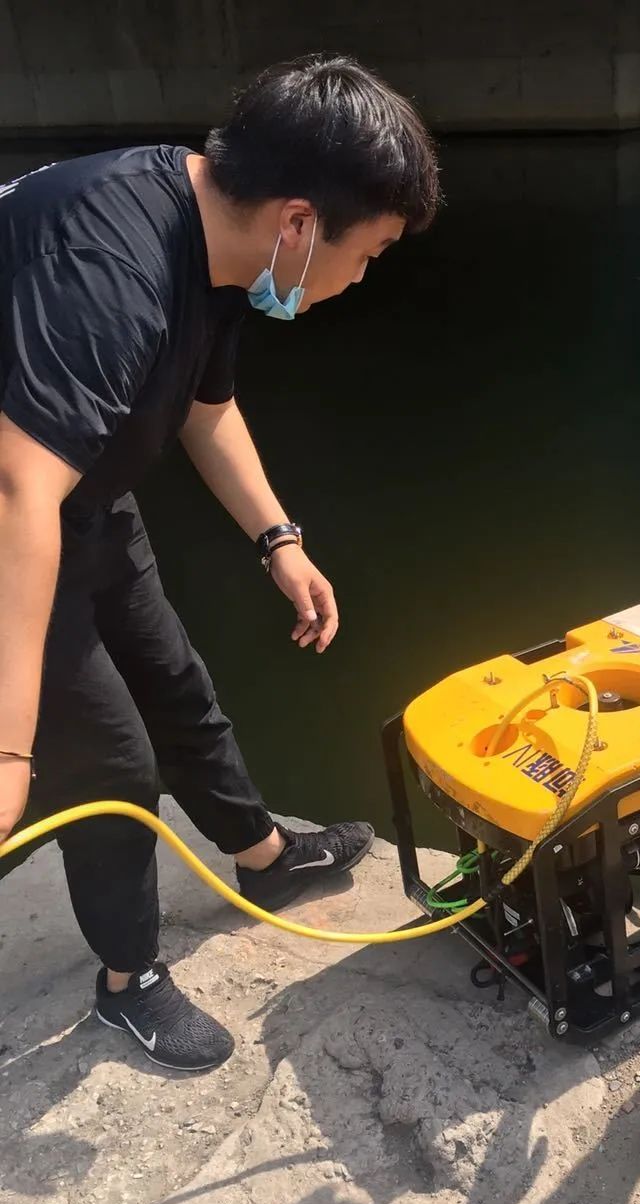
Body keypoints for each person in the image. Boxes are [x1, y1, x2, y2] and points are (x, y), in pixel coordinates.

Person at [0, 54, 440, 1072]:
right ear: (300, 222)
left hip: (82, 489)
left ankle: (264, 856)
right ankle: (128, 982)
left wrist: (280, 540)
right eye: (367, 254)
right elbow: (19, 492)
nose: (360, 279)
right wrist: (11, 750)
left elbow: (207, 407)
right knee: (110, 761)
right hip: (17, 502)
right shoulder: (111, 271)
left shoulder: (219, 236)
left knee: (175, 681)